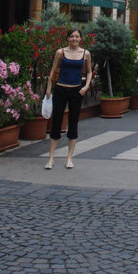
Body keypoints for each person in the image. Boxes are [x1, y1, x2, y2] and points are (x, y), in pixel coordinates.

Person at [44, 28, 92, 170]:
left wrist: (86, 86)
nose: (74, 39)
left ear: (80, 39)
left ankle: (69, 158)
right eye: (71, 36)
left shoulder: (85, 54)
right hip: (60, 89)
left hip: (76, 91)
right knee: (56, 122)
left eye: (77, 36)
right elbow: (52, 71)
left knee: (73, 122)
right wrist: (48, 88)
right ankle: (51, 158)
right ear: (67, 39)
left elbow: (89, 72)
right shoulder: (61, 52)